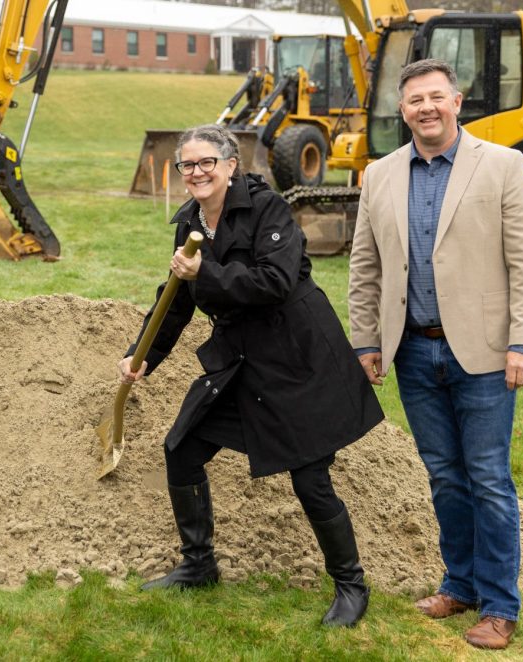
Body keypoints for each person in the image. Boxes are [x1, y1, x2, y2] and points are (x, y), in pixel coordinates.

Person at [119, 124, 384, 627]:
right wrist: (142, 356)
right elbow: (174, 300)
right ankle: (199, 566)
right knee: (183, 447)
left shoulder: (268, 209)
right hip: (241, 360)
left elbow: (278, 281)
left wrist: (208, 275)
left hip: (296, 358)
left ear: (230, 166)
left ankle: (351, 586)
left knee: (309, 476)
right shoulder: (189, 223)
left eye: (206, 163)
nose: (196, 173)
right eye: (187, 165)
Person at [347, 59, 523, 650]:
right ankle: (459, 583)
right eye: (415, 100)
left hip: (485, 353)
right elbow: (365, 267)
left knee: (488, 478)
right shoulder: (380, 175)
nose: (426, 108)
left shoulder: (503, 165)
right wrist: (366, 341)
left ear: (457, 102)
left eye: (436, 97)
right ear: (402, 110)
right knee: (444, 478)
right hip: (412, 352)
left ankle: (500, 606)